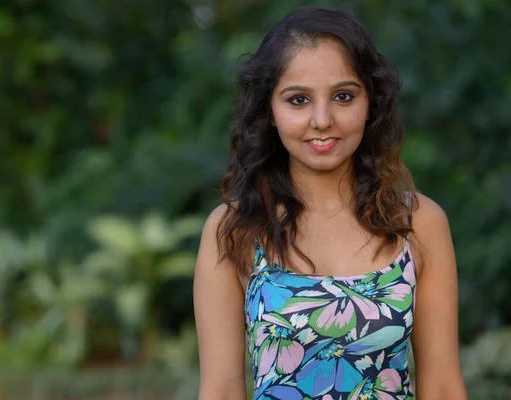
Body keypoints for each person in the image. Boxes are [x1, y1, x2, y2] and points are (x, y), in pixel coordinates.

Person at [193, 6, 467, 400]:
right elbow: (220, 389)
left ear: (370, 101)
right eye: (298, 100)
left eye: (343, 96)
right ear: (269, 110)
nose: (322, 120)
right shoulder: (235, 229)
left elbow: (442, 387)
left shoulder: (418, 223)